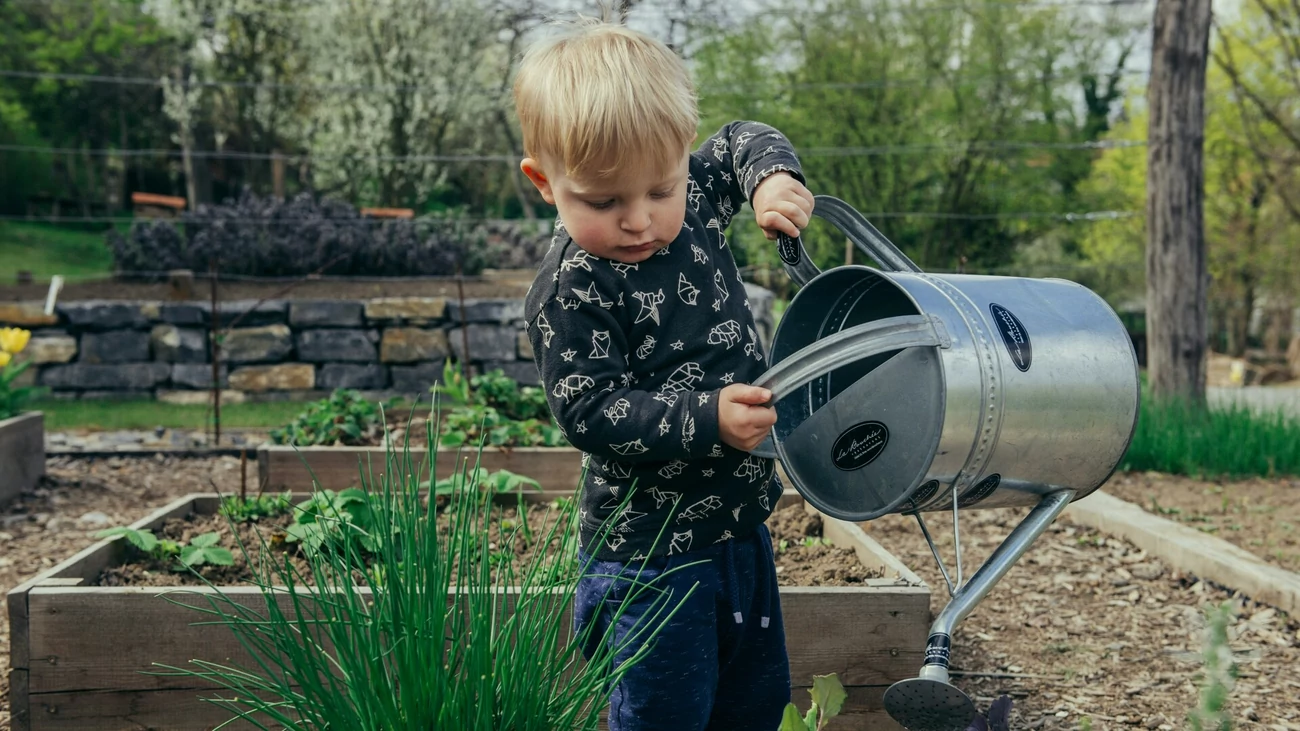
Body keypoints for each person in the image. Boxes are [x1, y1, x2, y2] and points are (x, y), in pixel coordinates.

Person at [516, 15, 815, 731]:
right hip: (650, 558)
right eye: (603, 200)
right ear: (543, 181)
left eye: (660, 188)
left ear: (682, 157)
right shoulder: (572, 289)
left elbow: (743, 136)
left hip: (741, 531)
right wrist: (707, 417)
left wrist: (772, 181)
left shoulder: (700, 199)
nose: (640, 219)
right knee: (665, 714)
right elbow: (590, 409)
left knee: (751, 701)